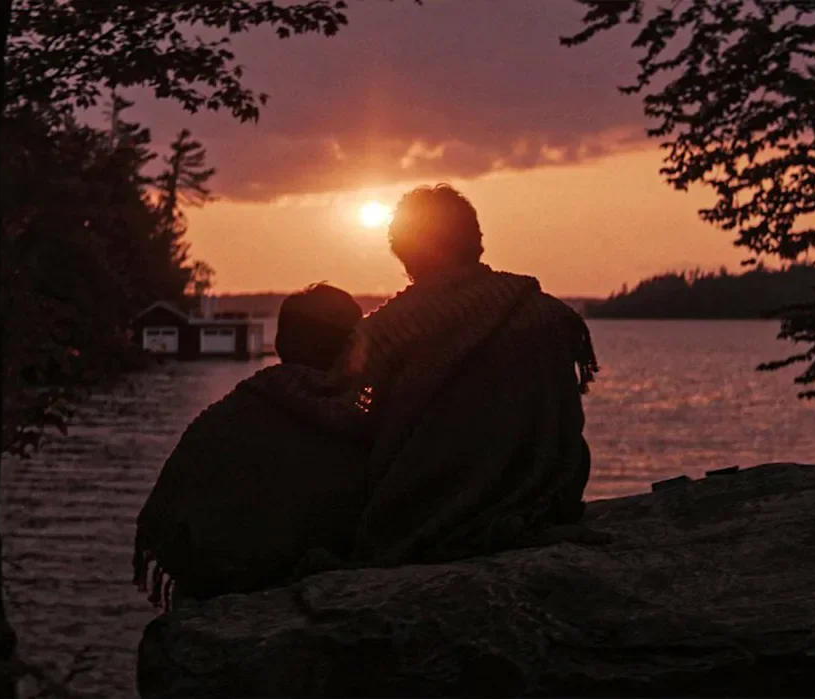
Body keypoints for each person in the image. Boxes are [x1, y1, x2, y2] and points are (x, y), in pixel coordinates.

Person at [256, 183, 599, 566]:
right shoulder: (548, 314)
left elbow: (345, 414)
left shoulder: (390, 332)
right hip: (550, 500)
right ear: (475, 240)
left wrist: (278, 388)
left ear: (405, 251)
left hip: (430, 514)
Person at [132, 284, 367, 607]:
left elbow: (169, 523)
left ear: (282, 344)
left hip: (211, 603)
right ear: (346, 349)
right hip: (302, 606)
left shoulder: (228, 414)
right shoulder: (358, 426)